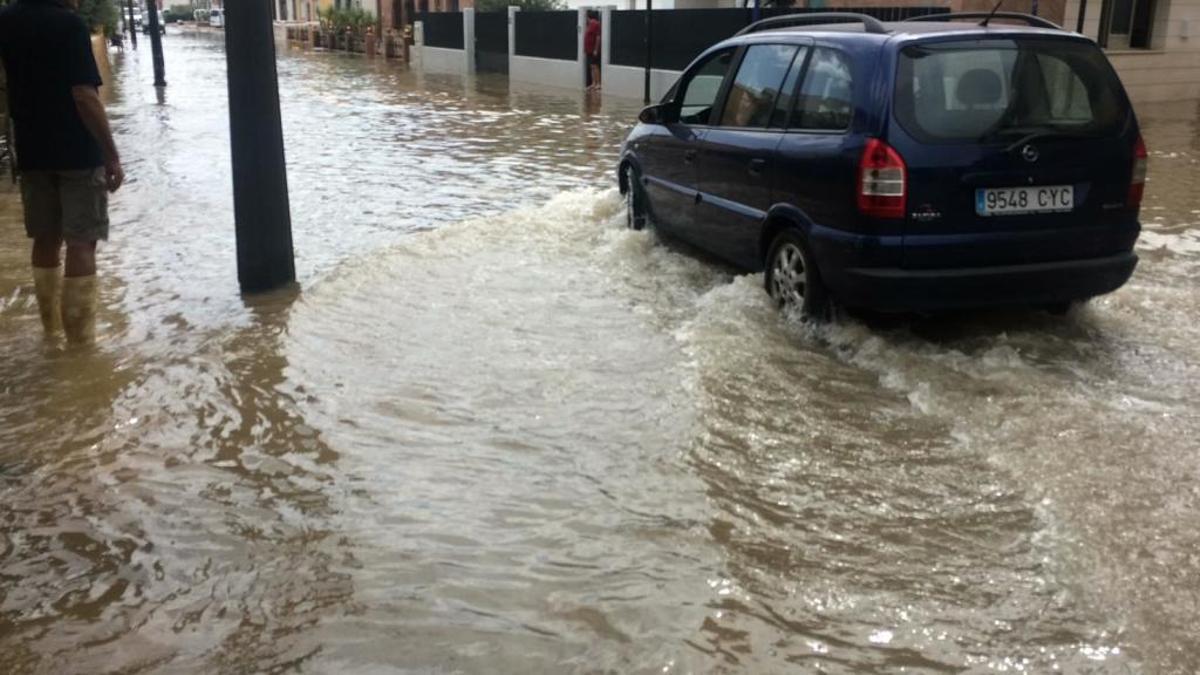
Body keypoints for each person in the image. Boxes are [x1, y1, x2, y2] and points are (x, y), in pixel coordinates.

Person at [0, 0, 124, 344]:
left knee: (45, 238)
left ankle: (50, 332)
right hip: (78, 152)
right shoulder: (68, 26)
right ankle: (81, 347)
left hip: (32, 152)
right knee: (81, 242)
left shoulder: (6, 20)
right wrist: (111, 154)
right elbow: (84, 96)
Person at [584, 10, 601, 92]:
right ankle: (593, 83)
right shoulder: (589, 24)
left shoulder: (595, 23)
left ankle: (598, 84)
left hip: (593, 50)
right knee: (591, 66)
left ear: (588, 16)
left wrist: (596, 49)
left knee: (595, 66)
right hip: (588, 49)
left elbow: (598, 37)